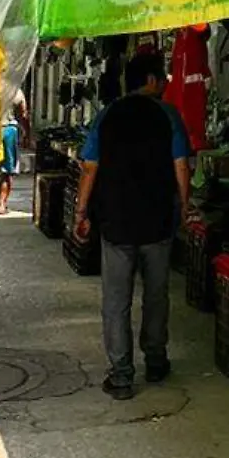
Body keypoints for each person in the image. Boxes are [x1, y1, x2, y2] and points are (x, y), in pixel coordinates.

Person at [74, 52, 193, 400]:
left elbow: (89, 168)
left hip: (115, 222)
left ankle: (122, 374)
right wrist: (185, 207)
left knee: (116, 299)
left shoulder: (107, 116)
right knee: (156, 295)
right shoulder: (167, 115)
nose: (167, 83)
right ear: (153, 80)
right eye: (164, 78)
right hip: (157, 220)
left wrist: (80, 213)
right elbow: (181, 165)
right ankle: (155, 361)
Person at [0, 92, 28, 212]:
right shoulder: (16, 91)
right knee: (7, 170)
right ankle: (2, 204)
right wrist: (26, 133)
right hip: (9, 130)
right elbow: (23, 114)